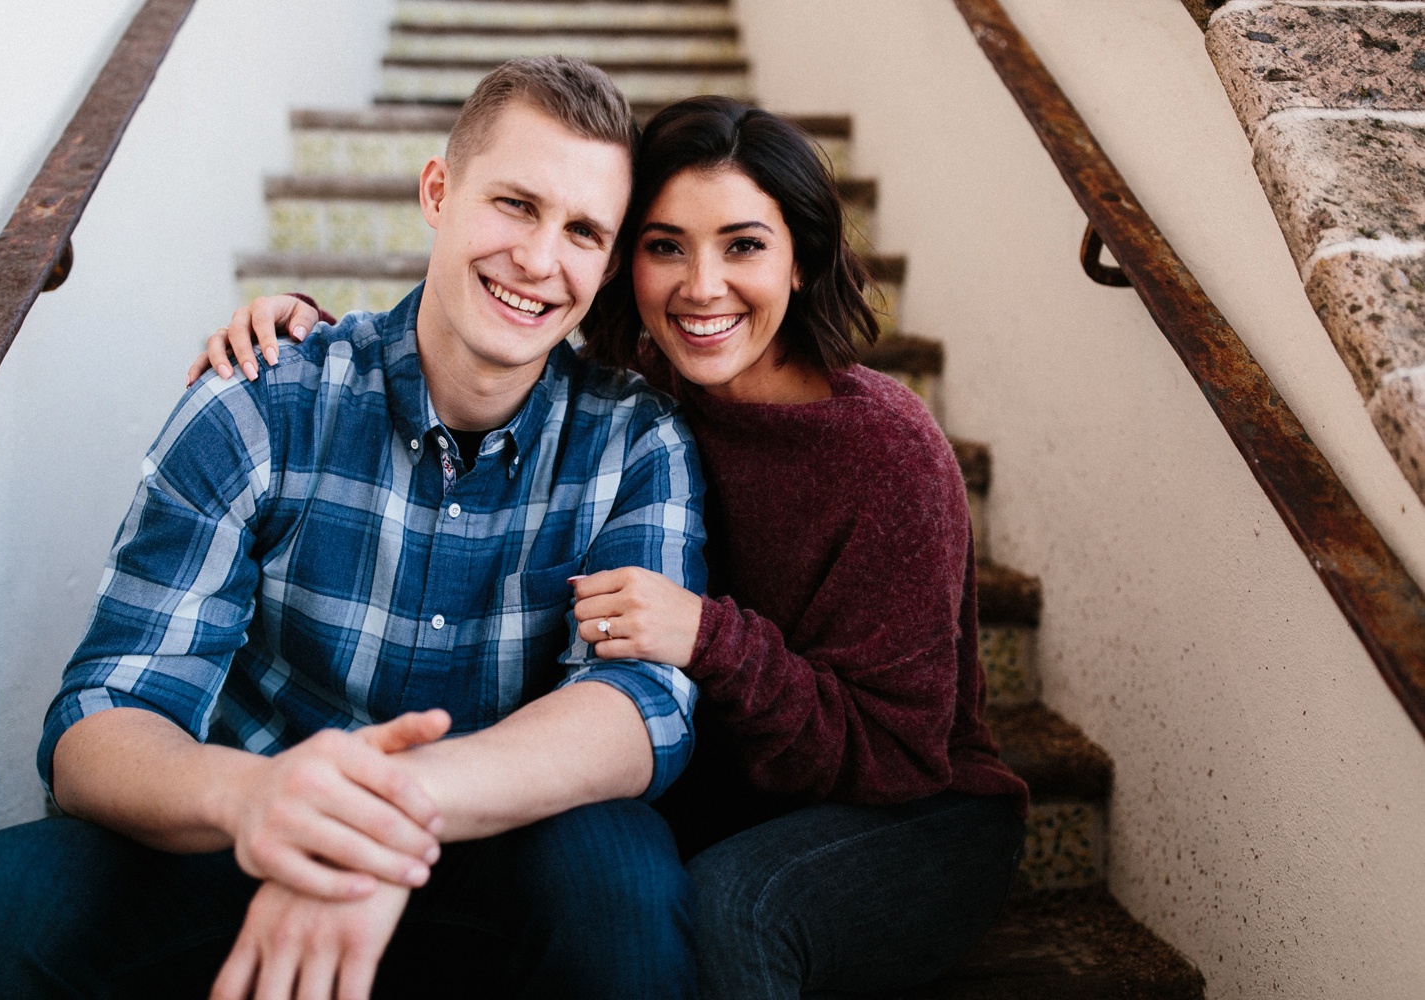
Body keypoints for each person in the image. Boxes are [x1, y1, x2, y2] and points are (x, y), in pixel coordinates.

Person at [197, 96, 1030, 998]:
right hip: (719, 792)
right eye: (666, 245)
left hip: (904, 815)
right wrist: (305, 335)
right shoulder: (638, 396)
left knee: (726, 908)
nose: (701, 286)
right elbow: (472, 343)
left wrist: (713, 640)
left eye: (744, 245)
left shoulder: (885, 452)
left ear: (801, 262)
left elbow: (899, 752)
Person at [0, 57, 709, 1000]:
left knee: (620, 868)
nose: (541, 260)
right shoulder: (259, 403)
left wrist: (389, 812)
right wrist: (262, 801)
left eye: (583, 230)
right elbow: (103, 717)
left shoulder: (634, 441)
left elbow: (637, 709)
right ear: (438, 191)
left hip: (500, 847)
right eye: (514, 205)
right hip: (255, 833)